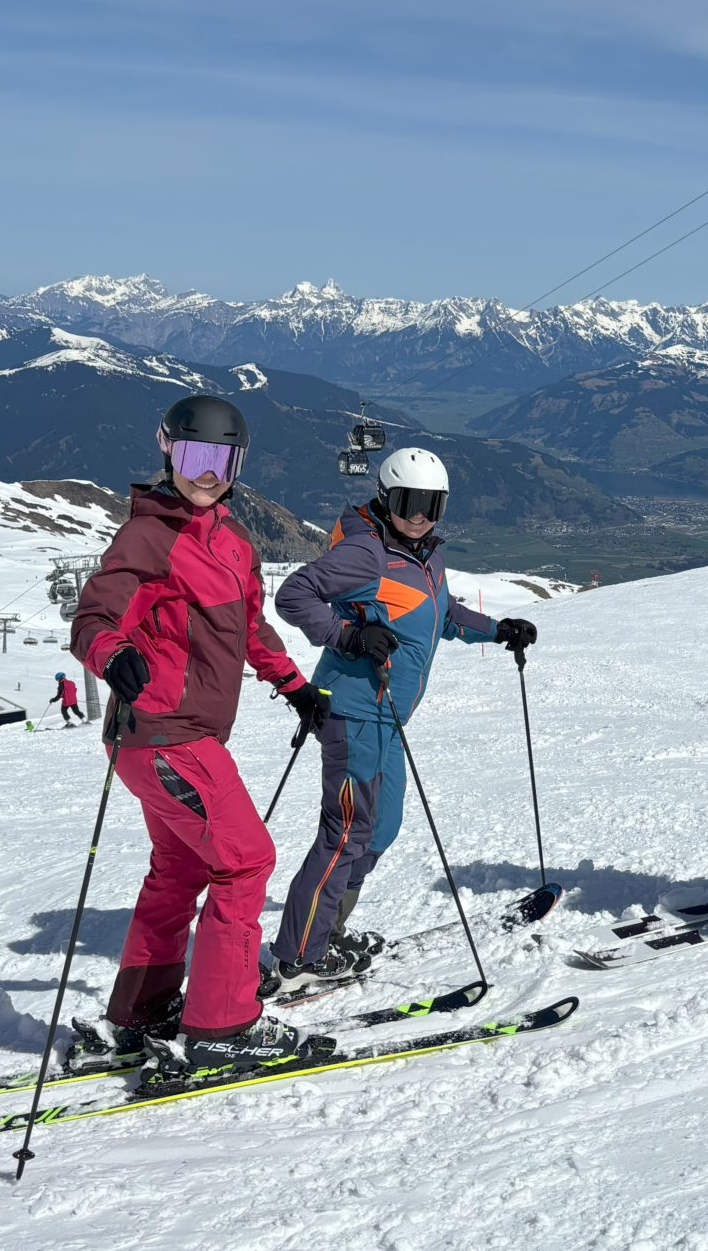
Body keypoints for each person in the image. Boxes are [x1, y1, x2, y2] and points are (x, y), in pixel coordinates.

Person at [68, 393, 328, 1071]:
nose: (207, 473)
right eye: (193, 456)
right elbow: (93, 618)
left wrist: (294, 686)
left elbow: (251, 627)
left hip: (175, 740)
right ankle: (223, 1024)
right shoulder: (148, 536)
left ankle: (142, 1010)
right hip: (164, 736)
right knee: (246, 861)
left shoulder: (233, 541)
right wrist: (111, 655)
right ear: (168, 453)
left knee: (180, 868)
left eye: (222, 459)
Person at [269, 446, 536, 991]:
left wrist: (498, 630)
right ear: (386, 497)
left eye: (431, 505)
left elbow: (442, 613)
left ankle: (329, 930)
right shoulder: (365, 554)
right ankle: (298, 956)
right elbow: (293, 595)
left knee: (380, 829)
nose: (419, 515)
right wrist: (348, 635)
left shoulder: (424, 555)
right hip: (353, 712)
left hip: (389, 716)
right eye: (409, 502)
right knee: (346, 834)